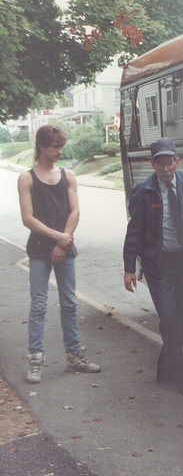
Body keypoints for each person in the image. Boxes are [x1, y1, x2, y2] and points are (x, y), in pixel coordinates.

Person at [123, 137, 183, 396]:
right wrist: (129, 267)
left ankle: (164, 363)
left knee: (181, 318)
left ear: (177, 161)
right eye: (161, 164)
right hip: (158, 264)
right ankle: (180, 374)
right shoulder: (143, 191)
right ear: (153, 164)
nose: (166, 169)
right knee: (169, 317)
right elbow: (134, 232)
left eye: (170, 163)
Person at [18, 125, 101, 384]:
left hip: (64, 247)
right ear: (42, 146)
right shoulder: (27, 178)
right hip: (40, 248)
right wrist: (58, 237)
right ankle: (35, 360)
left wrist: (63, 243)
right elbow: (27, 219)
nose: (59, 151)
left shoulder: (68, 175)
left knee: (69, 302)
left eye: (60, 146)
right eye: (54, 146)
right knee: (39, 304)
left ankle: (75, 356)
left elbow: (74, 212)